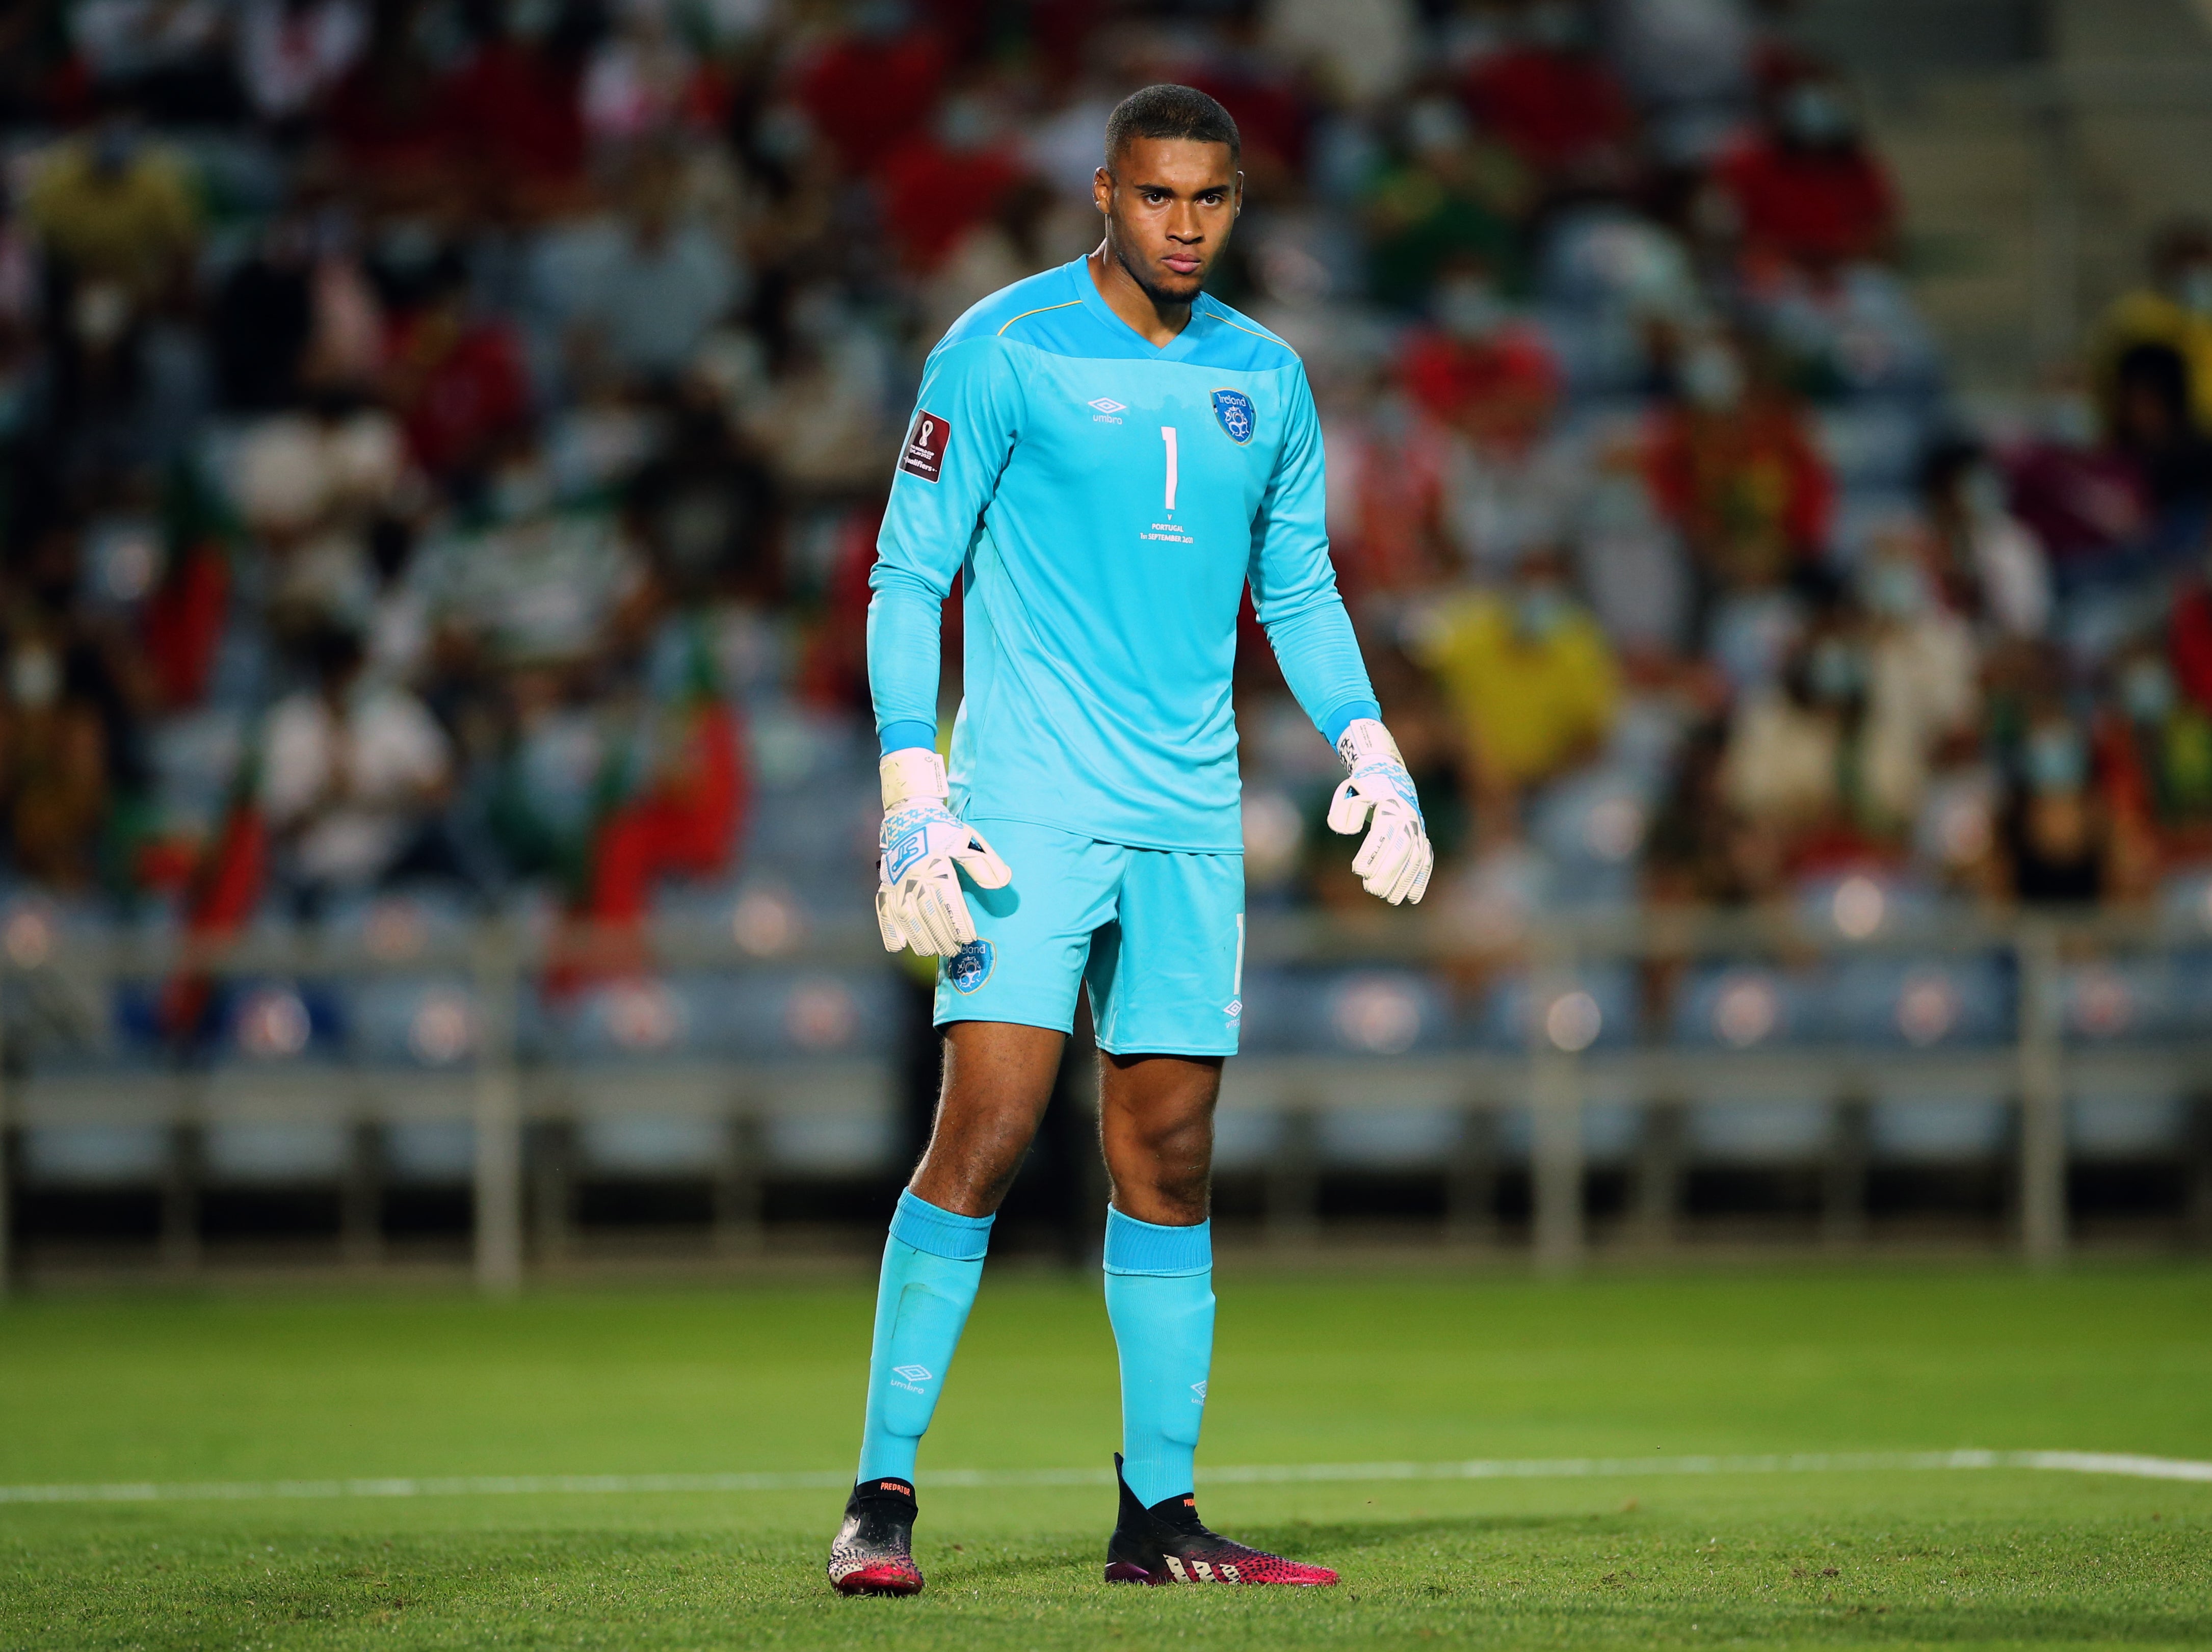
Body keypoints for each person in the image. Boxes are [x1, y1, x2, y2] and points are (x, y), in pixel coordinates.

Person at [831, 85, 1432, 1597]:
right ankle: (880, 1495)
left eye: (1209, 200)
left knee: (1166, 1150)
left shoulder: (1269, 376)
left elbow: (1292, 588)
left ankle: (1156, 1517)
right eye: (1156, 196)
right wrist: (914, 781)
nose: (1183, 224)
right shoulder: (999, 346)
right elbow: (909, 575)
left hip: (1186, 812)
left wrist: (1370, 745)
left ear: (1236, 202)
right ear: (1103, 192)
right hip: (1022, 799)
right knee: (984, 1128)